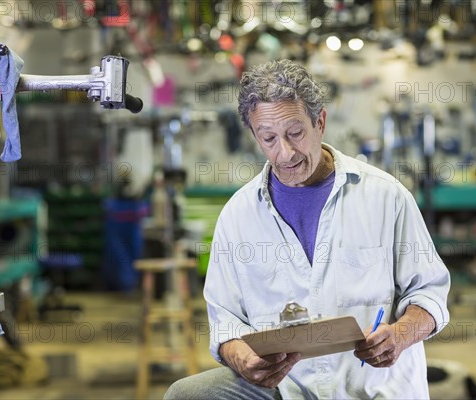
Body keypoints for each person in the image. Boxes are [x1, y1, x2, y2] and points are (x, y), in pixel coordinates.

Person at [165, 60, 450, 399]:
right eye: (269, 138)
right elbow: (225, 318)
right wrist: (238, 355)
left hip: (371, 389)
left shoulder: (384, 196)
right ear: (255, 136)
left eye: (295, 133)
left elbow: (430, 293)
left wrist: (400, 335)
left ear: (320, 122)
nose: (285, 153)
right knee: (188, 394)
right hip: (285, 390)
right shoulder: (238, 216)